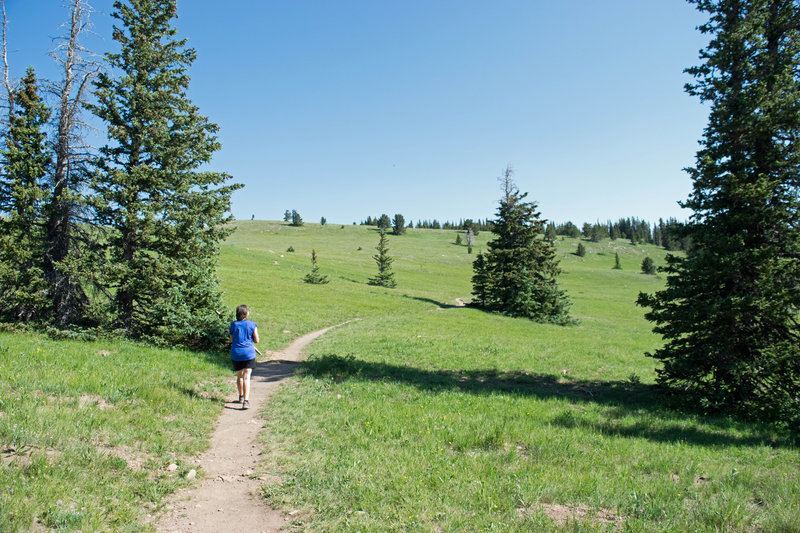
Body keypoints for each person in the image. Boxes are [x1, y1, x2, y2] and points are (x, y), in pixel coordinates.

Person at [229, 304, 259, 410]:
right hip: (248, 353)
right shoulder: (252, 324)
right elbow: (257, 340)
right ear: (246, 314)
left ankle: (241, 396)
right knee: (247, 377)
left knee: (239, 376)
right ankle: (246, 401)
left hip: (236, 353)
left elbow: (231, 340)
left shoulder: (233, 325)